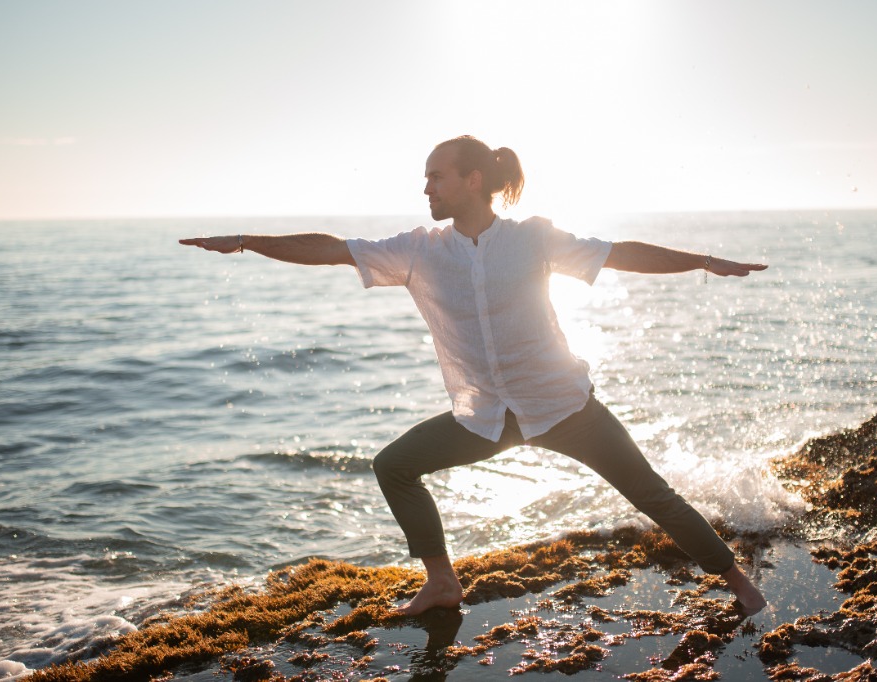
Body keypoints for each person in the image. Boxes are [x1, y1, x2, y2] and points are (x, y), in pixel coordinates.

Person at [180, 135, 768, 617]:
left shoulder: (533, 238)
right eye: (426, 178)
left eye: (436, 176)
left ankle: (741, 586)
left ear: (473, 180)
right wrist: (245, 242)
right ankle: (441, 582)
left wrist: (703, 261)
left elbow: (620, 254)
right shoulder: (419, 250)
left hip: (564, 406)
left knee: (651, 494)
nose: (426, 188)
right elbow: (331, 248)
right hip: (485, 417)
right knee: (394, 466)